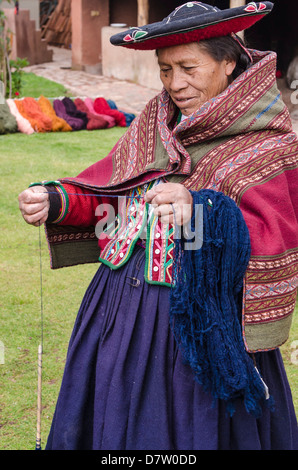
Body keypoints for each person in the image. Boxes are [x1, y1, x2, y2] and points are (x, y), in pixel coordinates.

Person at [18, 2, 298, 450]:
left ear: (229, 61)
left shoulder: (269, 143)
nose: (175, 84)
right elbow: (115, 189)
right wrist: (57, 201)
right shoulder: (155, 122)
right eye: (165, 70)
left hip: (201, 325)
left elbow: (277, 238)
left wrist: (201, 209)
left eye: (189, 67)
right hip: (121, 311)